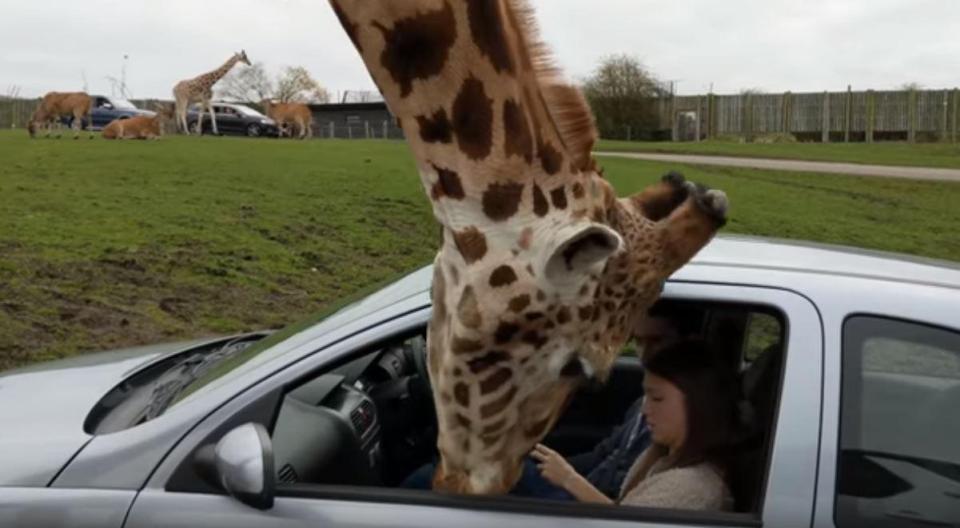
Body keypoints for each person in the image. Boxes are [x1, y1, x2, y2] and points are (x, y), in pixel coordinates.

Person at [401, 305, 695, 499]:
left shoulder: (677, 416)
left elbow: (625, 511)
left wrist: (567, 478)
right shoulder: (648, 399)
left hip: (585, 503)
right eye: (639, 342)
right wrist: (546, 463)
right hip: (581, 485)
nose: (645, 354)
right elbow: (606, 452)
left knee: (439, 479)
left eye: (657, 341)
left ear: (687, 342)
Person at [529, 338, 740, 511]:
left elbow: (625, 521)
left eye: (657, 398)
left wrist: (570, 479)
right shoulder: (665, 457)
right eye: (645, 396)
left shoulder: (691, 486)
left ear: (697, 405)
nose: (645, 409)